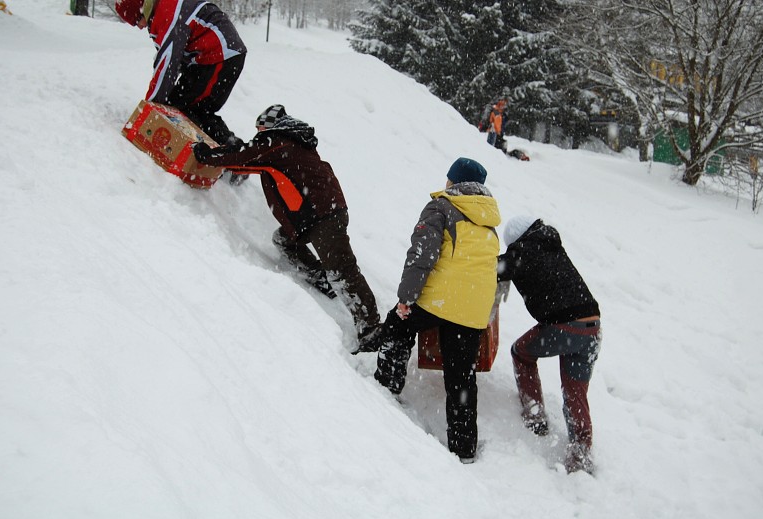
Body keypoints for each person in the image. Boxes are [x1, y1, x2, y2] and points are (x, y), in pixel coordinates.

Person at [192, 105, 382, 354]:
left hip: (321, 215)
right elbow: (248, 164)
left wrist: (206, 155)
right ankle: (321, 279)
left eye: (260, 128)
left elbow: (243, 156)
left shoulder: (277, 141)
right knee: (284, 241)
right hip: (318, 213)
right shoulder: (292, 142)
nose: (258, 134)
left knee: (342, 271)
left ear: (269, 126)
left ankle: (371, 330)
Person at [373, 157, 500, 464]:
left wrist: (406, 298)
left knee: (398, 325)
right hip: (474, 310)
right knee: (461, 377)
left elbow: (421, 256)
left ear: (453, 181)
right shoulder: (489, 219)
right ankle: (464, 448)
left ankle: (385, 389)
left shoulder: (441, 207)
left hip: (441, 300)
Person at [497, 215, 602, 474]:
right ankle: (581, 457)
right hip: (592, 327)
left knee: (521, 352)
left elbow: (490, 268)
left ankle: (535, 417)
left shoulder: (522, 251)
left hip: (566, 327)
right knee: (575, 393)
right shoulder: (551, 244)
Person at [114, 0, 247, 146]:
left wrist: (150, 109)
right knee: (180, 105)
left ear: (143, 8)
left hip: (220, 56)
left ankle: (229, 150)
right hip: (210, 58)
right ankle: (224, 149)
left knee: (186, 108)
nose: (140, 26)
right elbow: (173, 60)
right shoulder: (162, 10)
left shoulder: (168, 12)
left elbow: (168, 62)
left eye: (138, 20)